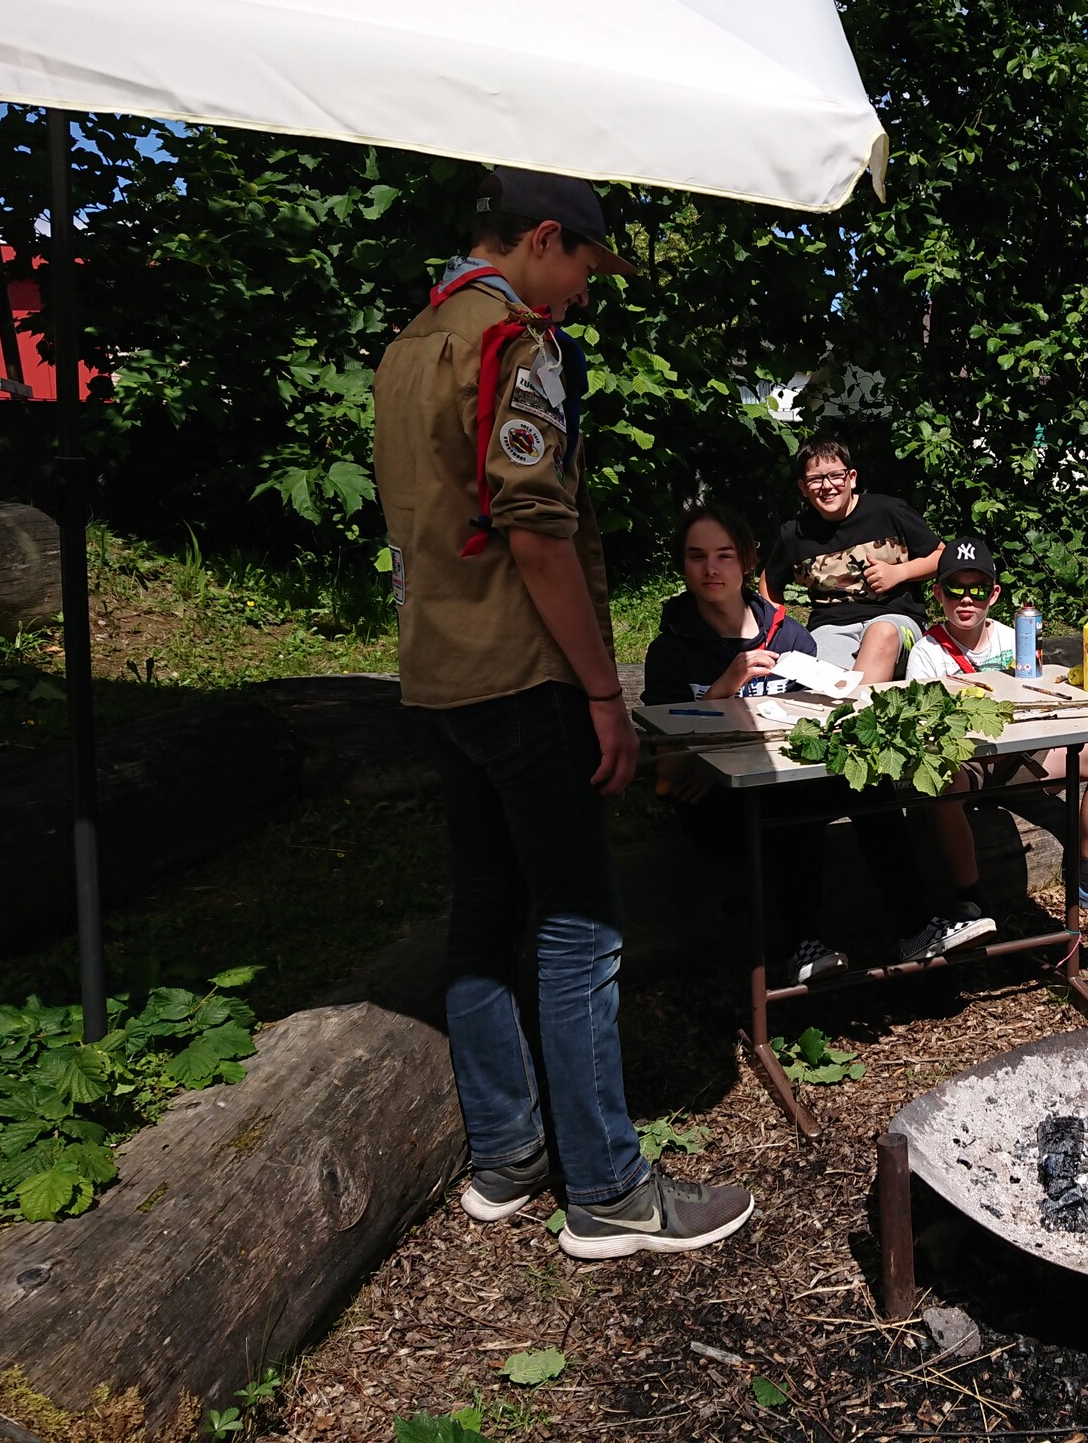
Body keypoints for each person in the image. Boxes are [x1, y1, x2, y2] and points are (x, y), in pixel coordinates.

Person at [372, 169, 753, 1261]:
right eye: (585, 263)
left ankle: (509, 1155)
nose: (585, 289)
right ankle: (609, 1191)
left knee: (486, 910)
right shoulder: (513, 346)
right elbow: (535, 534)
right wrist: (601, 692)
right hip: (524, 675)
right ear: (543, 239)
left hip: (438, 674)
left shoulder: (408, 348)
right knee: (581, 927)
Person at [644, 503, 991, 977]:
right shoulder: (670, 651)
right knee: (788, 801)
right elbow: (668, 773)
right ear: (682, 564)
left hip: (783, 779)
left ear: (746, 561)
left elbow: (816, 729)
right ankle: (801, 944)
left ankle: (915, 928)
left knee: (863, 778)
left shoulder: (787, 636)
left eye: (724, 555)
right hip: (719, 802)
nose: (710, 569)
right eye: (696, 556)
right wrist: (723, 692)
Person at [905, 538, 1088, 927]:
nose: (967, 600)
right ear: (938, 594)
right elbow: (926, 732)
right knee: (942, 782)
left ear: (994, 594)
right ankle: (969, 899)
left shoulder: (1014, 638)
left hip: (1021, 755)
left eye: (978, 590)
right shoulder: (926, 653)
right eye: (955, 589)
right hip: (968, 761)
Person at [762, 439, 943, 683]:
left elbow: (941, 555)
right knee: (827, 678)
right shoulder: (795, 534)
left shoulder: (888, 512)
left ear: (852, 478)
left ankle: (861, 706)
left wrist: (899, 573)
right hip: (831, 628)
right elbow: (769, 581)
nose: (827, 486)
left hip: (896, 620)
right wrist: (777, 629)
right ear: (803, 487)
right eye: (816, 479)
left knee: (881, 635)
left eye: (836, 475)